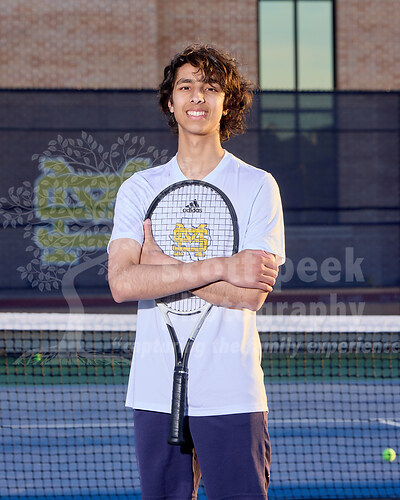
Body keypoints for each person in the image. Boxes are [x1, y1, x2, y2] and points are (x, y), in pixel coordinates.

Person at [108, 44, 285, 500]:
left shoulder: (257, 185)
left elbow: (250, 295)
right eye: (185, 87)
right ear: (171, 102)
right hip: (154, 391)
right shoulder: (139, 188)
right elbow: (123, 283)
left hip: (232, 390)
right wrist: (225, 267)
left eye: (211, 88)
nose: (197, 97)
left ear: (229, 102)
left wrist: (162, 266)